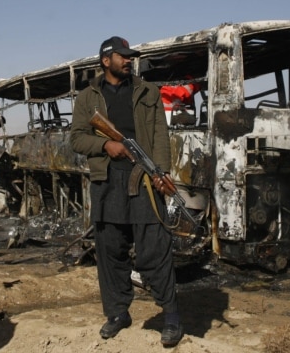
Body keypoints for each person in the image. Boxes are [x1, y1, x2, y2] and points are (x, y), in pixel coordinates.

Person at [70, 36, 183, 347]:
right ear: (106, 61)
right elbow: (77, 139)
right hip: (106, 182)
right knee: (110, 250)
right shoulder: (87, 98)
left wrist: (162, 172)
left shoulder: (147, 92)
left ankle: (171, 315)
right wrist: (106, 144)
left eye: (130, 56)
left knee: (154, 248)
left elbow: (160, 134)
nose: (129, 60)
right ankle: (118, 313)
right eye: (122, 56)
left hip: (144, 178)